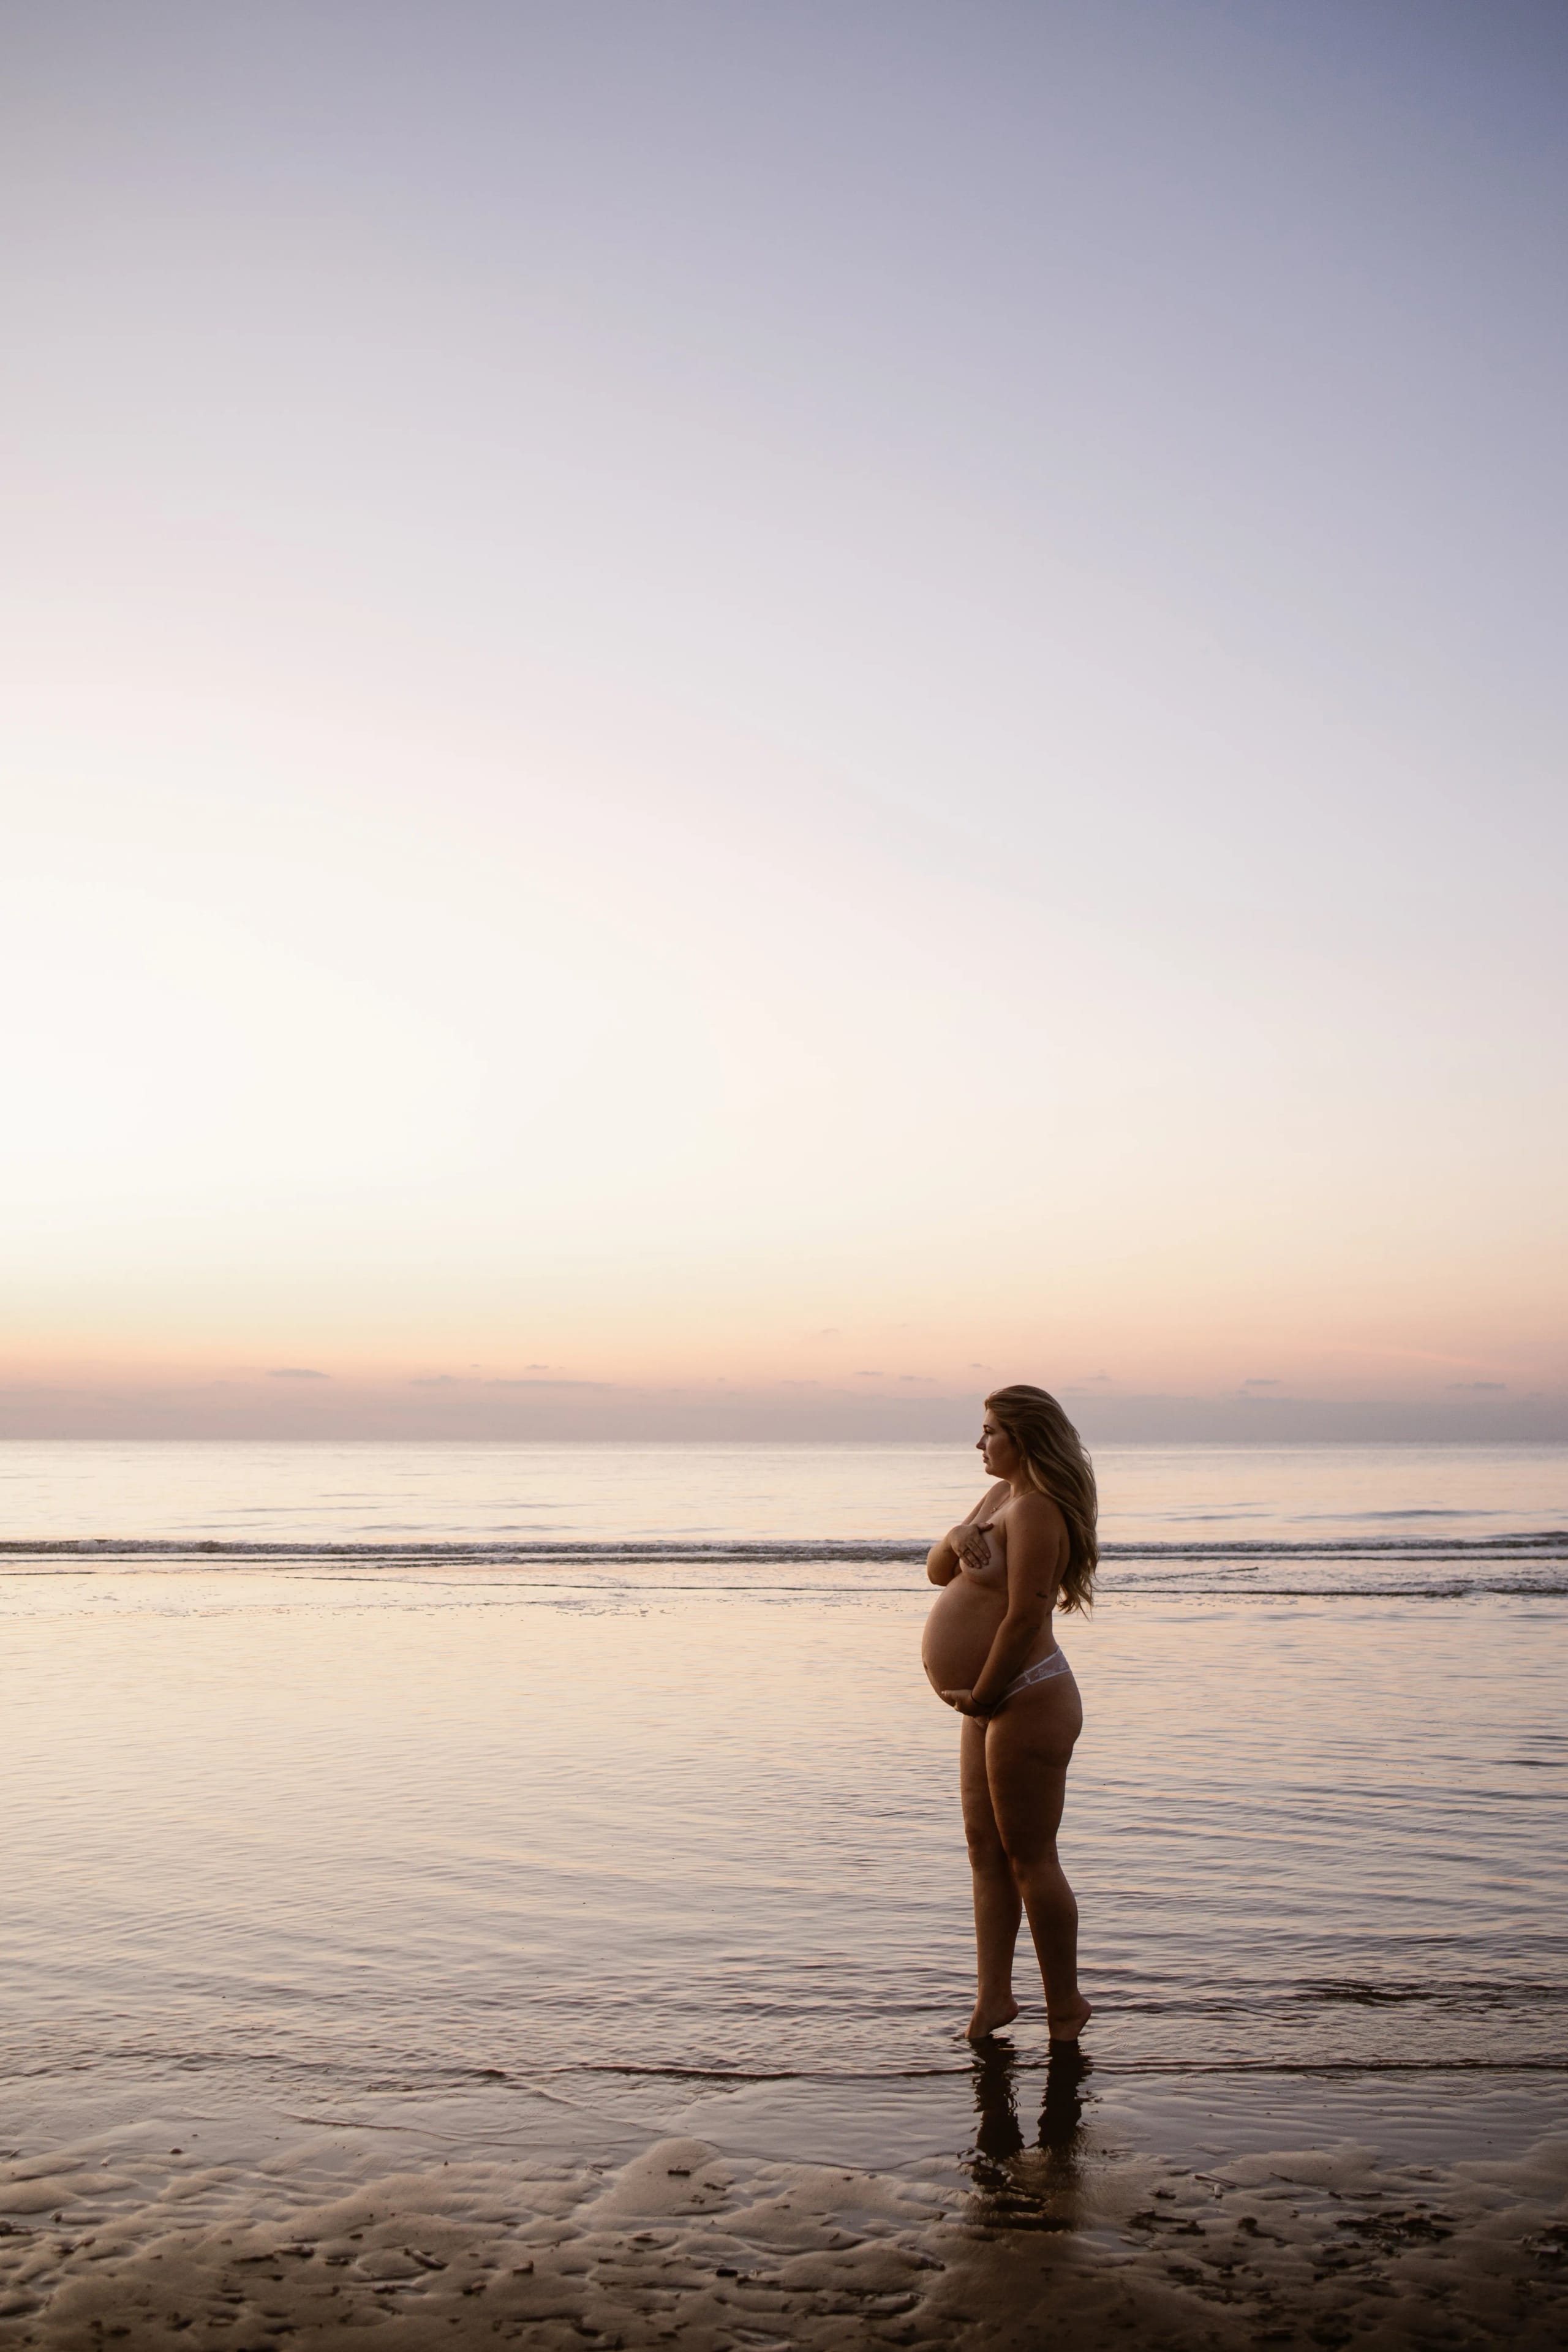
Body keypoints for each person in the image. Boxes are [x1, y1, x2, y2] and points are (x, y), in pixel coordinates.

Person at [923, 1384, 1096, 2045]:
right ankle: (993, 1999)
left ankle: (1065, 2006)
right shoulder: (1000, 1498)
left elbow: (1028, 1615)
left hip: (1024, 1694)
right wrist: (955, 1533)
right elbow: (939, 1572)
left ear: (1023, 1439)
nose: (979, 1443)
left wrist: (988, 1693)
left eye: (990, 1431)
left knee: (1032, 1858)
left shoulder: (1038, 1512)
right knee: (985, 1853)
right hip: (987, 1701)